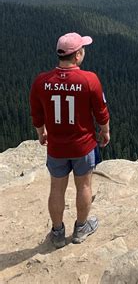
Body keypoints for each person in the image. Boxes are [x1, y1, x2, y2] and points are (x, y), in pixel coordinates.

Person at [29, 32, 110, 249]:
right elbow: (101, 112)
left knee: (57, 188)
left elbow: (36, 114)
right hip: (83, 145)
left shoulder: (41, 82)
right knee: (83, 185)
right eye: (82, 49)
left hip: (56, 147)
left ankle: (57, 233)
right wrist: (105, 131)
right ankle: (81, 228)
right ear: (77, 56)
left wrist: (41, 133)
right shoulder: (89, 79)